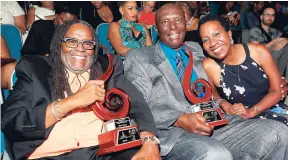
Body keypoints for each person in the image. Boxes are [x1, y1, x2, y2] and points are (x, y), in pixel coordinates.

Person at [124, 3, 288, 160]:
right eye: (165, 22)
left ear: (187, 25)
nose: (173, 26)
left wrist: (270, 80)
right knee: (216, 154)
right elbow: (136, 105)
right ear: (157, 29)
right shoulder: (140, 58)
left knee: (278, 132)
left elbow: (228, 65)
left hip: (214, 121)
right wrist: (178, 119)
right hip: (173, 131)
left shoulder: (197, 48)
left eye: (178, 20)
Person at [1, 19, 160, 160]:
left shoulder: (107, 68)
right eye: (72, 41)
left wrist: (149, 141)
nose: (80, 48)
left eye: (87, 43)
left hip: (101, 151)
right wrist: (71, 102)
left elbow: (137, 103)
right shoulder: (35, 69)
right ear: (59, 44)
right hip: (48, 154)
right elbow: (10, 120)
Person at [199, 15, 288, 125]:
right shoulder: (208, 66)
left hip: (272, 109)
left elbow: (277, 91)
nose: (212, 43)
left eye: (216, 34)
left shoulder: (258, 51)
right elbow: (213, 95)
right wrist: (223, 103)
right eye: (205, 40)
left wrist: (251, 111)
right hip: (240, 121)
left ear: (229, 34)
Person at [248, 6, 288, 79]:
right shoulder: (255, 30)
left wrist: (286, 40)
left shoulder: (275, 31)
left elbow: (284, 38)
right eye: (267, 14)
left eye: (272, 15)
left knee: (286, 47)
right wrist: (274, 42)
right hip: (259, 60)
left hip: (274, 62)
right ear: (261, 17)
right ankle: (273, 78)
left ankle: (282, 79)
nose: (270, 17)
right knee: (279, 49)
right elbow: (256, 50)